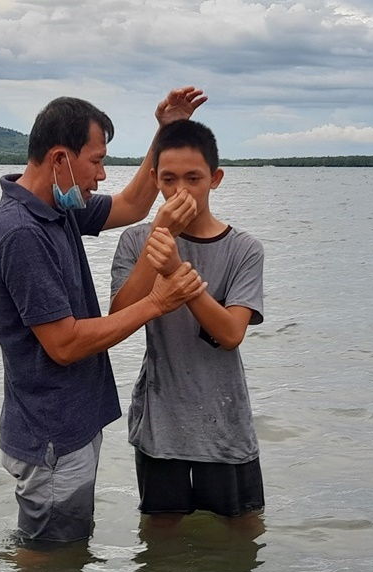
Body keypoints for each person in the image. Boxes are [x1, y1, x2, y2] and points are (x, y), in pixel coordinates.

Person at [0, 87, 209, 550]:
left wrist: (164, 132)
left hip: (69, 426)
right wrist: (157, 302)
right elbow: (63, 344)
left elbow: (132, 206)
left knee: (62, 552)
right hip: (51, 436)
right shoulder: (21, 232)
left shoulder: (58, 206)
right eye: (97, 161)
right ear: (60, 159)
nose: (102, 176)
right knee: (50, 559)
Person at [110, 119, 266, 531]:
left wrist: (180, 274)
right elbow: (120, 317)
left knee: (243, 534)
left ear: (215, 179)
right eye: (169, 179)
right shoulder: (134, 241)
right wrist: (160, 236)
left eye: (193, 178)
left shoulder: (243, 249)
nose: (181, 191)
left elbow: (231, 334)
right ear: (154, 180)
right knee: (159, 542)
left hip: (226, 422)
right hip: (161, 423)